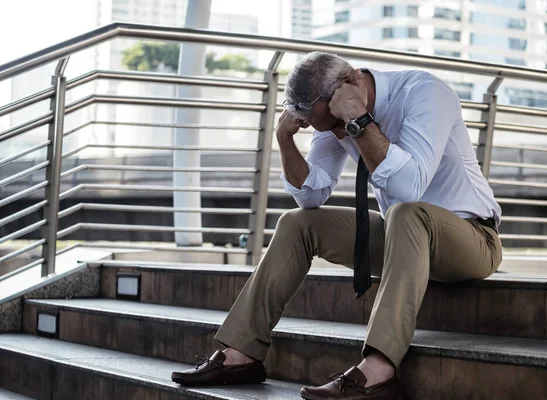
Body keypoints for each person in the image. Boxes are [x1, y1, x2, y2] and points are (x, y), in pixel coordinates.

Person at [171, 51, 502, 399]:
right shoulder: (333, 117)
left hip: (473, 240)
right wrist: (285, 140)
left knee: (405, 213)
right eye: (329, 127)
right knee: (297, 223)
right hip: (403, 241)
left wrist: (357, 120)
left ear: (352, 84)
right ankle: (241, 355)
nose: (337, 133)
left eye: (334, 124)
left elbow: (409, 189)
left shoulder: (424, 94)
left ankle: (379, 371)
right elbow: (311, 197)